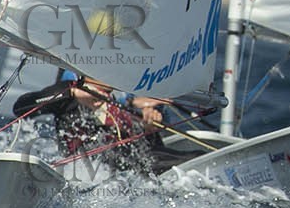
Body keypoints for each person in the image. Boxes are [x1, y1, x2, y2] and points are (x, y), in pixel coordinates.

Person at [10, 69, 187, 175]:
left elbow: (143, 145)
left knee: (188, 157)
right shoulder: (69, 94)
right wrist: (71, 94)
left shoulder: (118, 99)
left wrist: (149, 126)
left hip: (141, 165)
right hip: (96, 169)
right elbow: (21, 108)